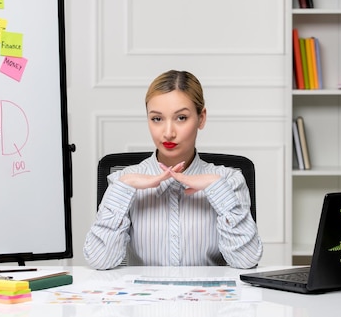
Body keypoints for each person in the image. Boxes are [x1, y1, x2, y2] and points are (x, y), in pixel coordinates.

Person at [83, 70, 262, 269]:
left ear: (201, 118)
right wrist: (125, 186)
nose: (168, 133)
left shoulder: (230, 180)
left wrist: (217, 188)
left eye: (181, 118)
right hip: (144, 298)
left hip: (209, 298)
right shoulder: (122, 181)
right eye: (157, 119)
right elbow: (100, 262)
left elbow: (247, 260)